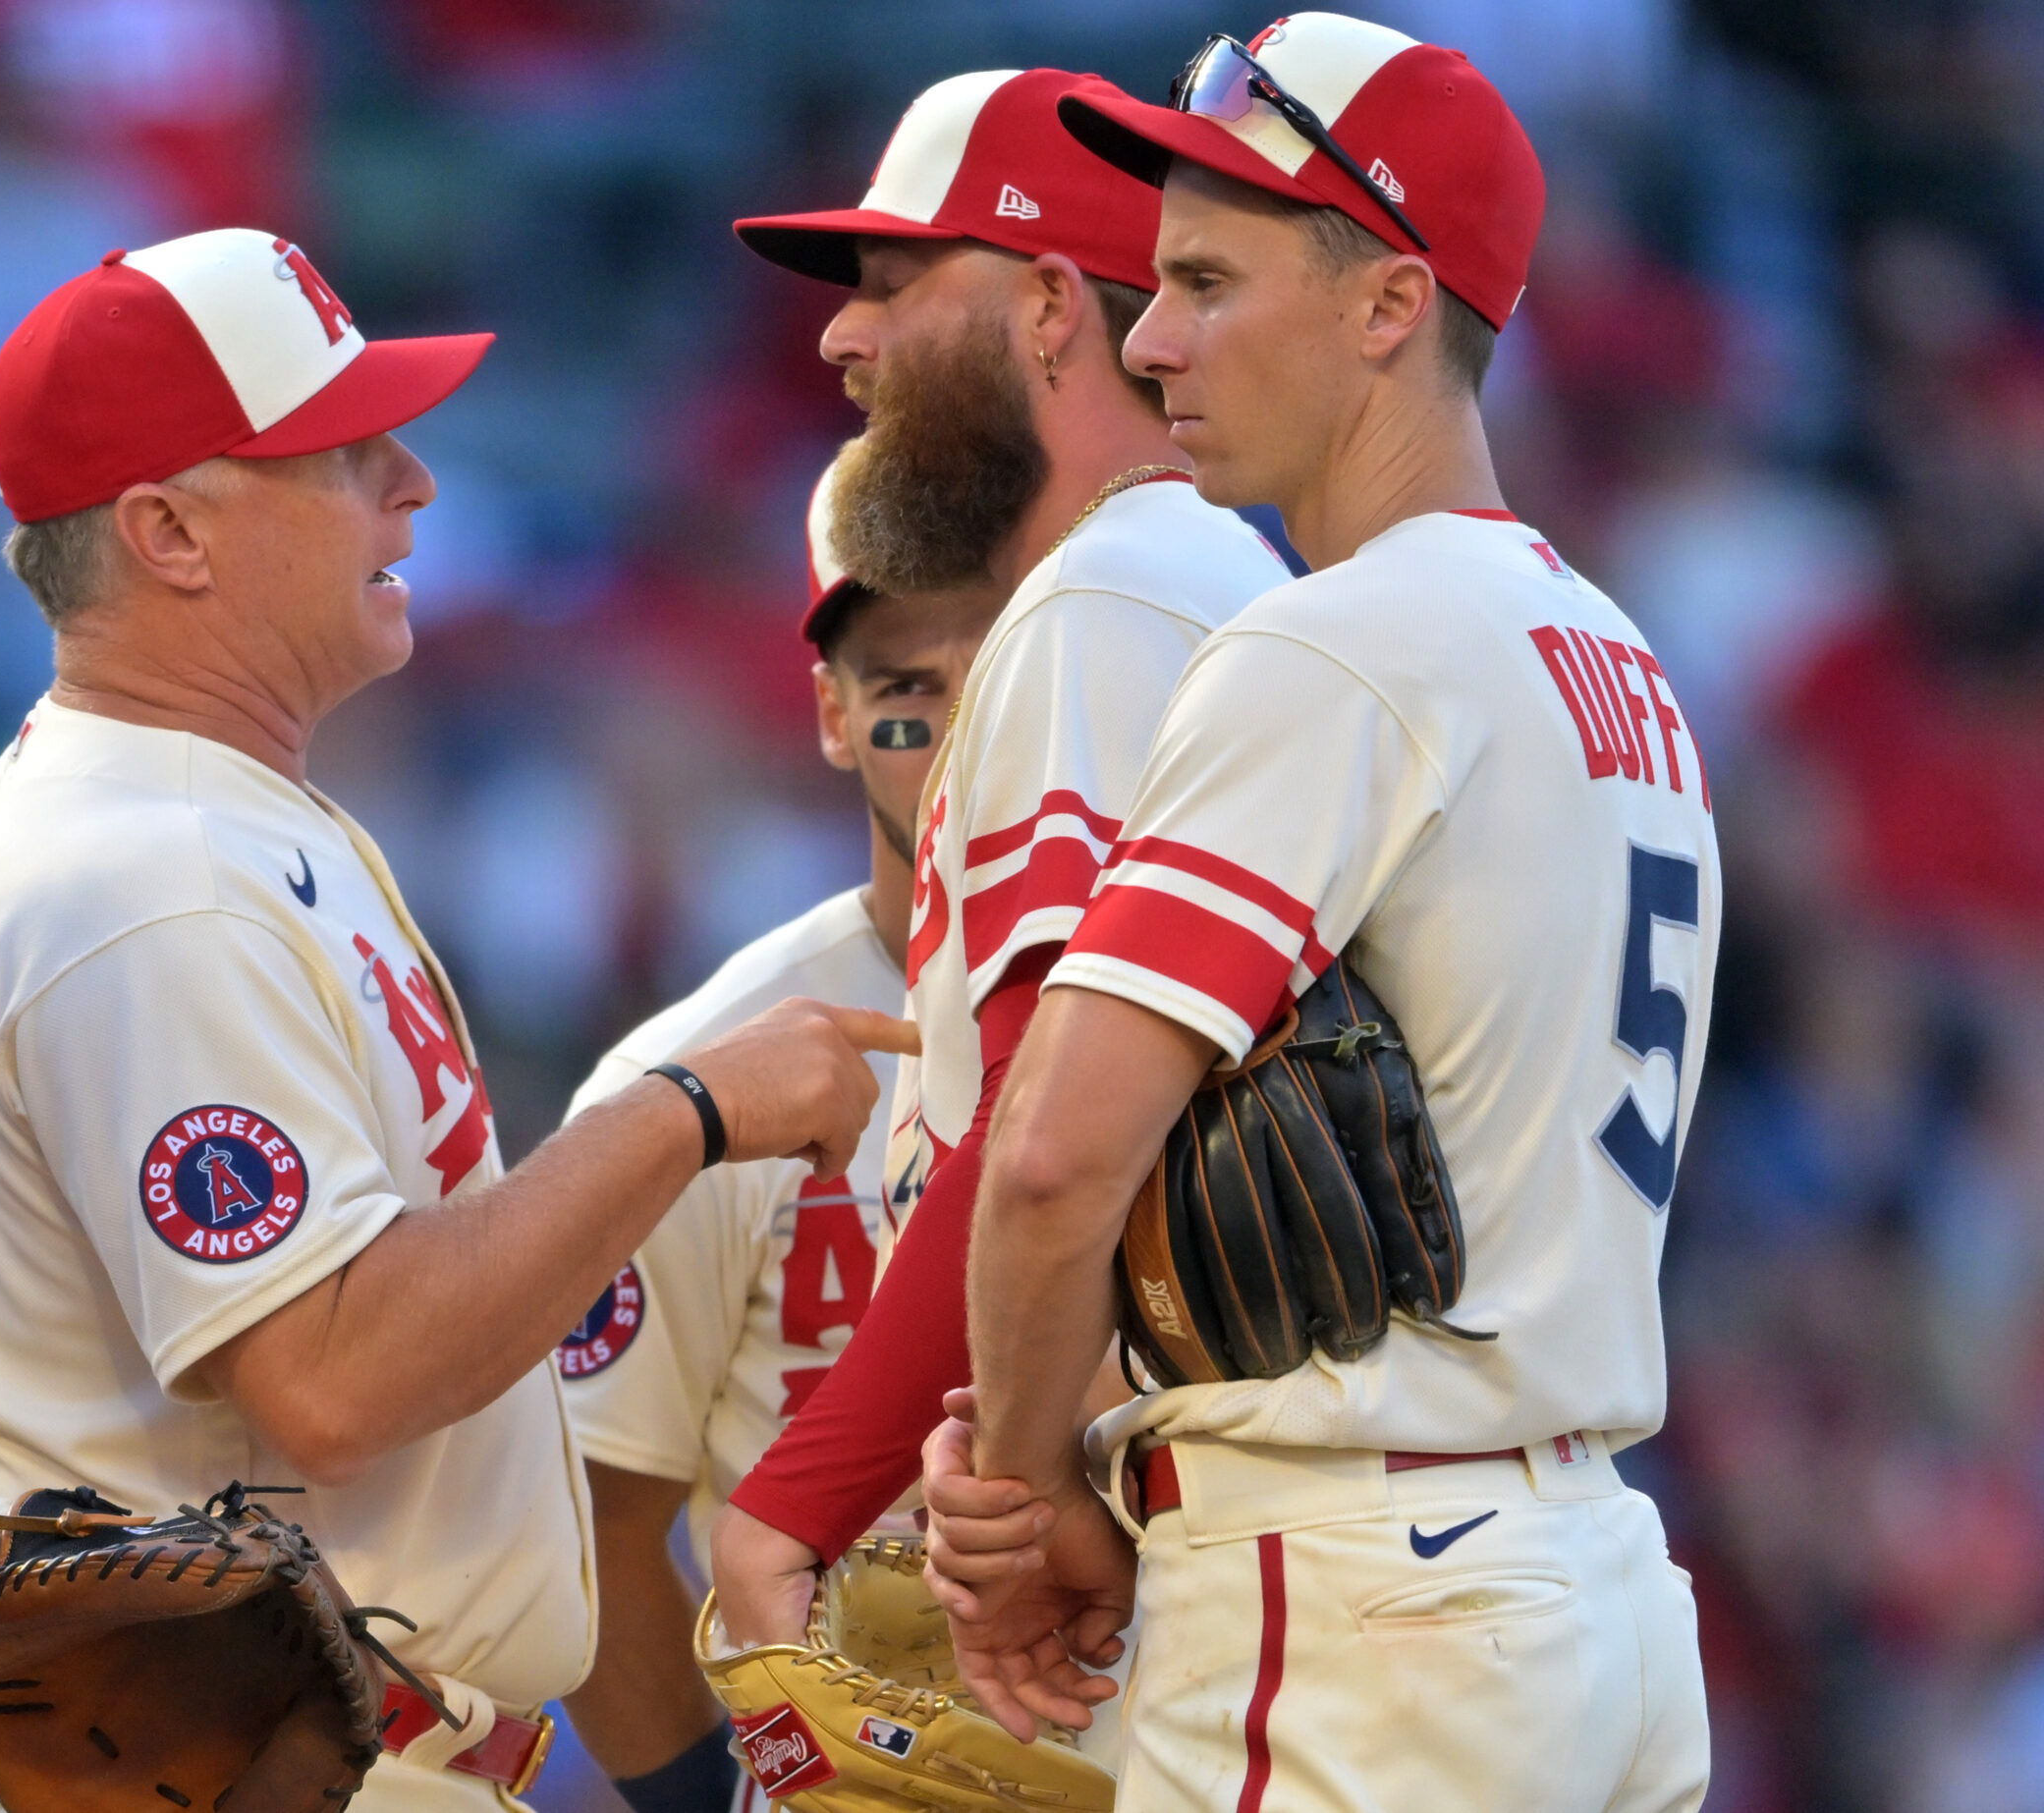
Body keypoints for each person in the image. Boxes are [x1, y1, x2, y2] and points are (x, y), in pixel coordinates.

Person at [0, 228, 910, 1813]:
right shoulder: (151, 873)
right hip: (237, 1762)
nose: (415, 484)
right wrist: (686, 1112)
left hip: (288, 1756)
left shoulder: (208, 810)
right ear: (168, 531)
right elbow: (336, 1378)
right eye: (343, 453)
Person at [921, 17, 1713, 1811]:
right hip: (1587, 1587)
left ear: (1387, 308)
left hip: (1367, 1597)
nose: (1147, 335)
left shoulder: (1337, 638)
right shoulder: (1619, 656)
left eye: (1209, 277)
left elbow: (1052, 1159)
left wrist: (1029, 1489)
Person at [705, 68, 1293, 1645]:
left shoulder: (1107, 599)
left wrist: (803, 1498)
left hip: (1176, 1545)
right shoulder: (1204, 576)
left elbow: (1046, 1122)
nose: (841, 336)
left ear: (1049, 305)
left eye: (896, 284)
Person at [557, 454, 1009, 1813]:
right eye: (902, 693)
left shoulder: (1200, 1017)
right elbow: (595, 1528)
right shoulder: (696, 1076)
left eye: (999, 683)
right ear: (828, 710)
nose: (952, 738)